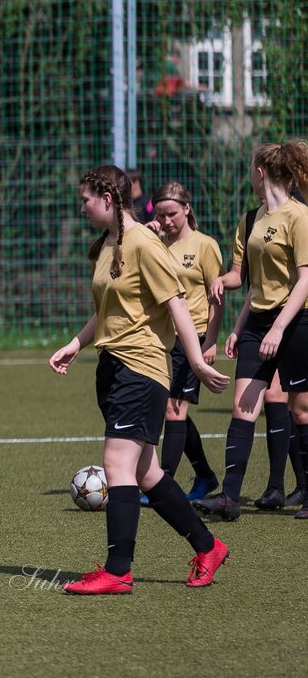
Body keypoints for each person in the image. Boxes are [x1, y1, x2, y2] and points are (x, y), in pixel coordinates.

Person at [49, 165, 230, 594]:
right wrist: (77, 343)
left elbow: (177, 305)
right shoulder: (107, 244)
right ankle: (208, 547)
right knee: (146, 470)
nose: (82, 207)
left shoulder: (145, 243)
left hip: (142, 367)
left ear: (107, 200)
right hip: (111, 367)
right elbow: (108, 310)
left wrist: (198, 361)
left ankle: (117, 570)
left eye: (86, 200)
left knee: (117, 465)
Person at [195, 142, 308, 521]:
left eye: (250, 169)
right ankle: (228, 498)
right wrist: (239, 326)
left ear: (260, 172)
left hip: (295, 321)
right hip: (258, 323)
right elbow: (253, 283)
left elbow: (305, 281)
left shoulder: (300, 216)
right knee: (242, 409)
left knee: (301, 409)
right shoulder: (252, 218)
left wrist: (279, 326)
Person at [148, 182, 222, 501]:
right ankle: (204, 476)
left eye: (171, 214)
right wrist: (148, 234)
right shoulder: (156, 244)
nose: (166, 221)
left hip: (196, 336)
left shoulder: (205, 246)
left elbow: (216, 297)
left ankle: (162, 487)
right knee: (175, 410)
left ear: (187, 209)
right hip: (166, 338)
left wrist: (212, 341)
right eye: (160, 215)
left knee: (173, 410)